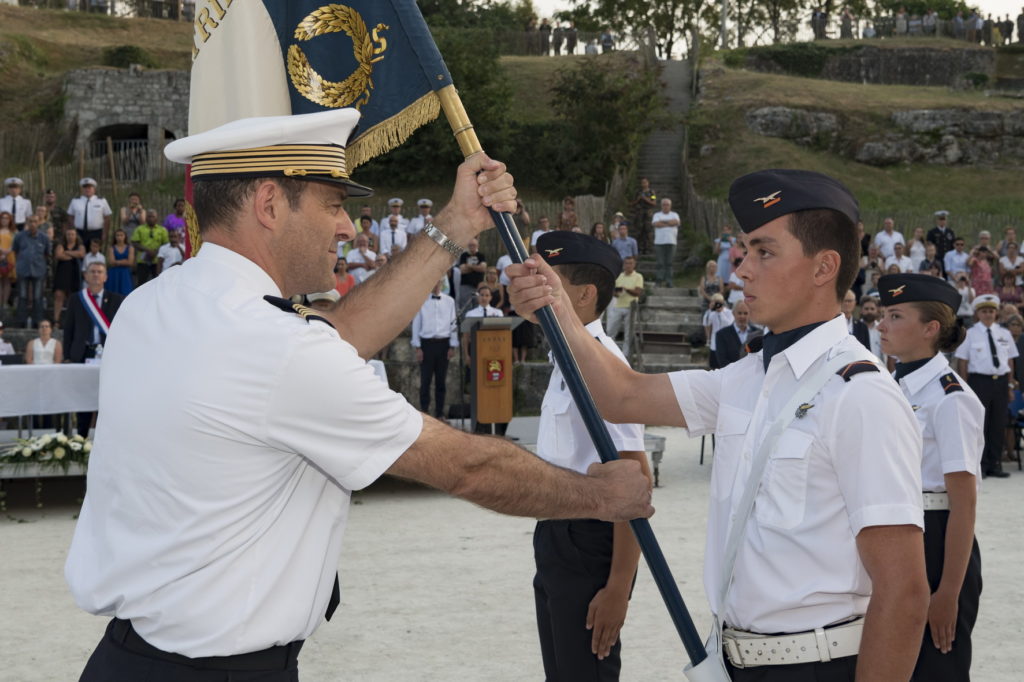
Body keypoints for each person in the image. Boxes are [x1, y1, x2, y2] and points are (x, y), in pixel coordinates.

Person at [65, 109, 653, 682]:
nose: (348, 228)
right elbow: (466, 467)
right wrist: (601, 494)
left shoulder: (155, 303)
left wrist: (455, 224)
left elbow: (336, 339)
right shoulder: (276, 349)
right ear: (270, 204)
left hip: (129, 655)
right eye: (334, 204)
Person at [509, 168, 929, 680]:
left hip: (817, 665)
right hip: (734, 659)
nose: (742, 270)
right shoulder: (749, 376)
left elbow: (904, 593)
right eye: (745, 251)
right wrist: (557, 307)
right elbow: (621, 395)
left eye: (764, 252)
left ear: (824, 267)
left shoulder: (861, 394)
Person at [531, 231, 649, 680]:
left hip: (590, 540)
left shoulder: (602, 366)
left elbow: (636, 480)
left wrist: (619, 587)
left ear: (583, 294)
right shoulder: (566, 354)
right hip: (555, 532)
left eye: (550, 280)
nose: (536, 288)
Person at [875, 274, 984, 682]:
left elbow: (963, 504)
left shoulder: (950, 398)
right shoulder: (890, 386)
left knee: (936, 669)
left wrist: (949, 592)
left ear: (930, 328)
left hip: (935, 539)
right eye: (884, 314)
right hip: (895, 532)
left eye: (896, 315)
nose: (881, 324)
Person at [955, 294, 1017, 479]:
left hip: (1000, 382)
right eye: (984, 311)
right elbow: (963, 362)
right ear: (977, 313)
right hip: (979, 382)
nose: (988, 314)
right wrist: (966, 387)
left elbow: (1010, 361)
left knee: (998, 424)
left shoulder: (1004, 334)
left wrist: (1010, 385)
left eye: (991, 311)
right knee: (979, 425)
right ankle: (980, 465)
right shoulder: (970, 334)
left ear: (996, 313)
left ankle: (995, 464)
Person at [62, 261, 124, 438]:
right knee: (83, 397)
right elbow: (69, 330)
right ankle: (81, 438)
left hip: (109, 355)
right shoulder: (76, 299)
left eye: (99, 272)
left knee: (107, 397)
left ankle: (105, 438)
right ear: (86, 276)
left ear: (105, 277)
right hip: (83, 353)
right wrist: (67, 355)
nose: (96, 274)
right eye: (92, 272)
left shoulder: (116, 299)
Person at [411, 279, 458, 418]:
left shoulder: (449, 301)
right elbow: (416, 324)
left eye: (438, 282)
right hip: (427, 344)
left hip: (443, 344)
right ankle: (424, 412)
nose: (435, 284)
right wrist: (417, 347)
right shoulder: (421, 301)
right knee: (425, 381)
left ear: (442, 283)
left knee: (441, 381)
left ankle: (439, 413)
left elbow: (453, 323)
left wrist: (453, 345)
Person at [11, 212, 50, 328]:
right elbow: (15, 251)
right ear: (27, 223)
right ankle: (20, 322)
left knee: (37, 297)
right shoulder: (19, 236)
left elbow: (47, 254)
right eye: (30, 221)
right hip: (23, 269)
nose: (33, 224)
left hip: (38, 270)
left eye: (35, 222)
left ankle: (37, 322)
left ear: (38, 223)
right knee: (22, 296)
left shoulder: (44, 238)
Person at [606, 255, 644, 358]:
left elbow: (637, 292)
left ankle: (625, 356)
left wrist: (626, 289)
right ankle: (609, 353)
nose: (628, 265)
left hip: (631, 308)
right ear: (623, 265)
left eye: (630, 263)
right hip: (619, 305)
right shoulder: (619, 276)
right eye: (626, 263)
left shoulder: (638, 276)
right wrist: (616, 292)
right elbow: (614, 291)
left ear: (634, 265)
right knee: (610, 331)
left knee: (628, 334)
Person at [714, 300, 760, 368]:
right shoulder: (721, 335)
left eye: (745, 313)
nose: (742, 316)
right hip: (731, 375)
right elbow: (722, 361)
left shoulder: (758, 333)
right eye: (739, 313)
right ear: (733, 313)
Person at [67, 178, 112, 248]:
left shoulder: (102, 201)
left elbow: (107, 218)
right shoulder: (75, 201)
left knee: (95, 255)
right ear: (82, 189)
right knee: (80, 253)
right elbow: (70, 217)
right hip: (79, 233)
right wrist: (73, 231)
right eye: (85, 187)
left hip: (96, 233)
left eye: (90, 187)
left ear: (94, 189)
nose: (87, 190)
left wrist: (105, 233)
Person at [131, 209, 169, 286]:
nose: (151, 218)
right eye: (149, 216)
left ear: (157, 218)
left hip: (157, 261)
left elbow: (166, 244)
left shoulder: (162, 230)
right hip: (142, 261)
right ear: (146, 218)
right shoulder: (139, 229)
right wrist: (147, 250)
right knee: (141, 283)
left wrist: (156, 251)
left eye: (153, 216)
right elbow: (134, 242)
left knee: (157, 282)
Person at [651, 198, 680, 287]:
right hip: (659, 242)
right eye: (664, 204)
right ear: (661, 205)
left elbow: (676, 222)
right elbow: (656, 224)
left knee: (669, 263)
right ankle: (659, 280)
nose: (665, 206)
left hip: (671, 242)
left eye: (667, 204)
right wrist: (669, 223)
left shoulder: (674, 214)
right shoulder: (657, 215)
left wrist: (663, 222)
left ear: (670, 206)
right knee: (660, 263)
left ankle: (669, 281)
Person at [703, 293, 734, 369]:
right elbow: (706, 323)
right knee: (714, 366)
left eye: (718, 302)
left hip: (727, 341)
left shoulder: (729, 312)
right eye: (714, 302)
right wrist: (710, 310)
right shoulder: (711, 313)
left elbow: (729, 323)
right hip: (715, 342)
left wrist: (721, 312)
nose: (717, 304)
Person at [630, 178, 656, 254]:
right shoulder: (638, 192)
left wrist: (645, 198)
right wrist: (638, 199)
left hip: (648, 213)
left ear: (648, 183)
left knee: (648, 230)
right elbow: (632, 203)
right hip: (639, 213)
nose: (644, 184)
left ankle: (647, 248)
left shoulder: (652, 192)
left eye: (645, 182)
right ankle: (639, 248)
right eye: (642, 182)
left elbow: (653, 202)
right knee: (639, 230)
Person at [105, 228, 135, 296]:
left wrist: (117, 262)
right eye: (117, 235)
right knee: (113, 293)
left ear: (125, 236)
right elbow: (111, 262)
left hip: (125, 274)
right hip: (113, 273)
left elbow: (130, 262)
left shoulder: (130, 248)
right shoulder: (111, 248)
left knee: (126, 293)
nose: (119, 237)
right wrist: (124, 261)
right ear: (115, 237)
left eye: (121, 235)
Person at [0, 211, 14, 312]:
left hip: (10, 257)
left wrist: (7, 252)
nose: (5, 220)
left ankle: (5, 303)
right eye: (3, 218)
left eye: (7, 218)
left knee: (7, 280)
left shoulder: (13, 232)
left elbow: (15, 244)